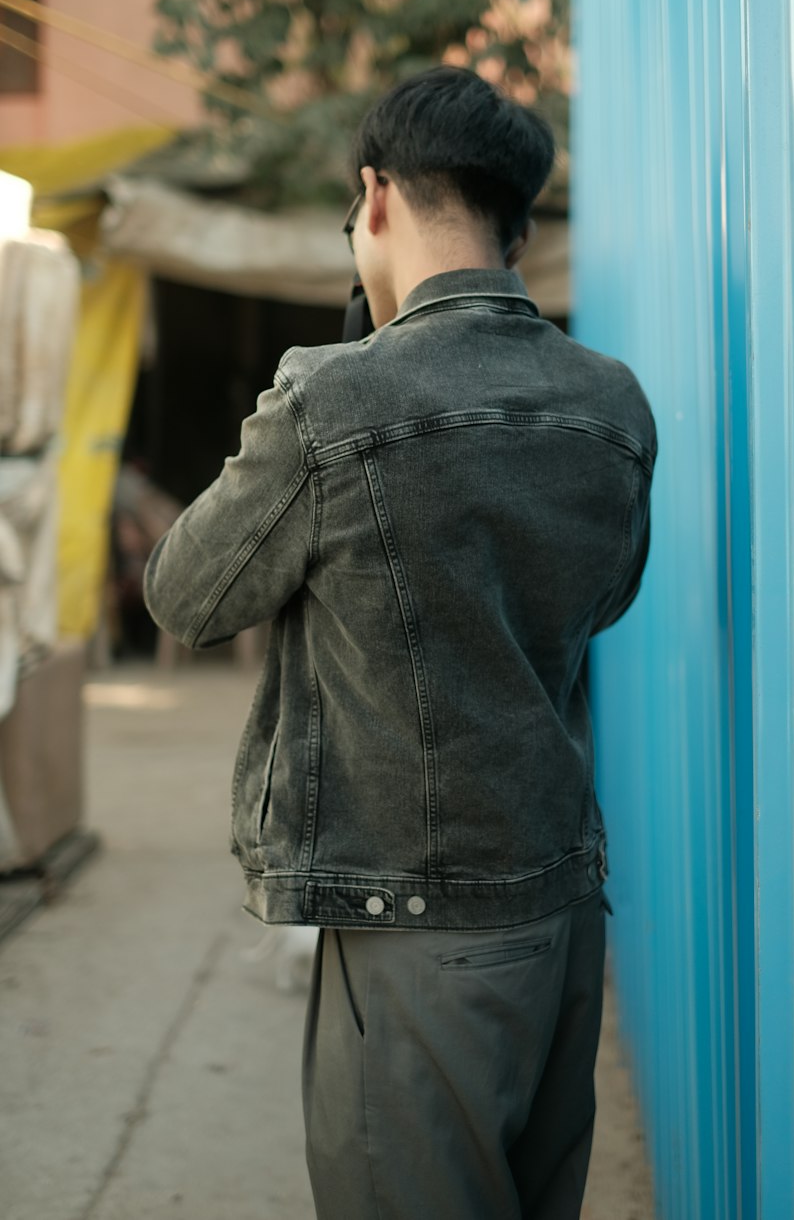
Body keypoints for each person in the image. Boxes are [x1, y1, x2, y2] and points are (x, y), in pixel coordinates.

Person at [143, 66, 657, 1220]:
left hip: (412, 930)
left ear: (373, 197)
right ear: (517, 226)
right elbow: (603, 600)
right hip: (561, 907)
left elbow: (184, 595)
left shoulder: (330, 401)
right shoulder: (612, 402)